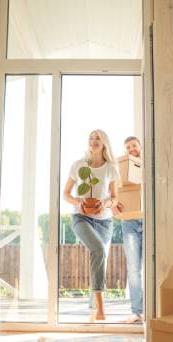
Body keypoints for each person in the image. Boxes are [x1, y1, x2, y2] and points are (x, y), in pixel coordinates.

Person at [63, 129, 119, 321]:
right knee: (99, 250)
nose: (93, 140)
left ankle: (94, 307)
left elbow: (114, 197)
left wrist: (105, 203)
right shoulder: (79, 165)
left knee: (99, 259)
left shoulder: (111, 168)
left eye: (98, 138)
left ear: (104, 143)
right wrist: (79, 202)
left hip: (105, 221)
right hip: (81, 218)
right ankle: (101, 310)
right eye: (91, 138)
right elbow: (66, 194)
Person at [117, 136, 144, 323]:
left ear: (140, 146)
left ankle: (155, 308)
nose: (131, 149)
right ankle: (137, 311)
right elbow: (113, 190)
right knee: (134, 269)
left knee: (153, 268)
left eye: (134, 145)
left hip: (148, 220)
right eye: (128, 147)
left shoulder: (150, 165)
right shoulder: (121, 170)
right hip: (129, 222)